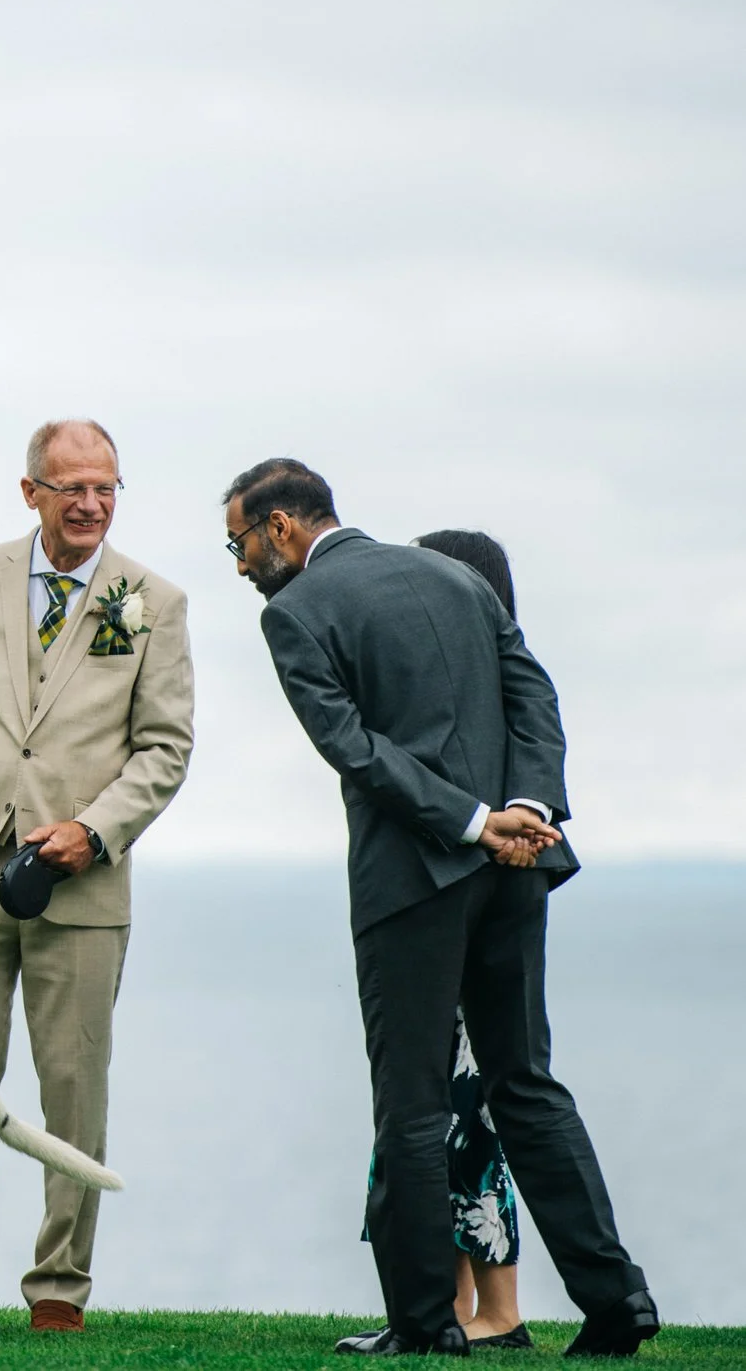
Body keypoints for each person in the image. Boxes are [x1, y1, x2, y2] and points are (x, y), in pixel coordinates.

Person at [223, 459, 656, 1358]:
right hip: (518, 866)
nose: (240, 566)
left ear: (280, 527)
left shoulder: (294, 611)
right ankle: (618, 1300)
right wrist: (525, 809)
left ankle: (426, 1323)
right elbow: (534, 693)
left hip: (415, 878)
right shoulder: (455, 575)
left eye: (240, 544)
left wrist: (471, 823)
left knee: (412, 1103)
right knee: (526, 1084)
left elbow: (353, 747)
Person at [0, 419, 195, 1334]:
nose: (91, 505)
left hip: (83, 884)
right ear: (31, 491)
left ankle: (59, 1285)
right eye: (72, 488)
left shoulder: (155, 600)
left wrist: (93, 832)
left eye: (106, 487)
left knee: (73, 1089)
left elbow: (165, 748)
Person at [358, 531, 534, 1349]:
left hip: (448, 915)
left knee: (451, 1117)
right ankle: (461, 1304)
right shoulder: (502, 689)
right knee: (455, 1117)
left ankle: (488, 1309)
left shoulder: (471, 697)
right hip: (472, 915)